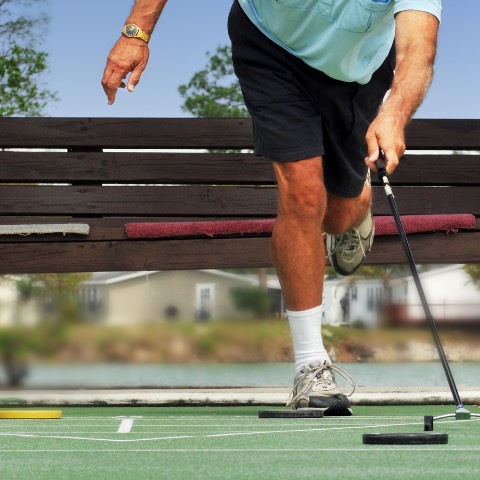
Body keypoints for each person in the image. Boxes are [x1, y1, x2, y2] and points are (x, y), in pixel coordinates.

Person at [102, 0, 441, 416]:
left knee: (338, 213)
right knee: (303, 194)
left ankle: (357, 204)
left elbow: (418, 51)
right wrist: (135, 32)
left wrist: (394, 113)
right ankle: (312, 365)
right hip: (269, 43)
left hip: (358, 71)